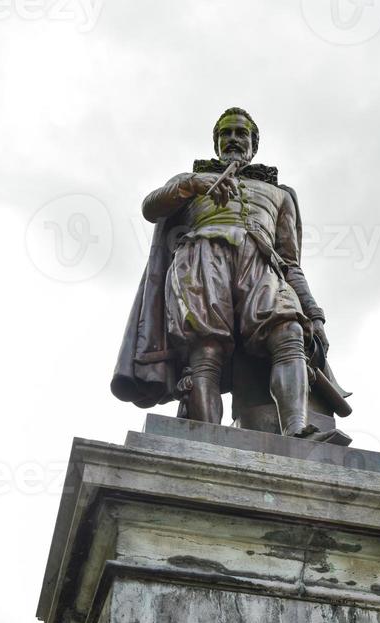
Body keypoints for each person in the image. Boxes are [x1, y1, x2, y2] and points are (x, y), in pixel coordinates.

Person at [112, 107, 334, 438]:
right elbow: (150, 207)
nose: (232, 139)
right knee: (206, 350)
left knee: (289, 332)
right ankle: (208, 438)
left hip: (261, 264)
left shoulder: (281, 195)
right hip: (201, 258)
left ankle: (298, 431)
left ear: (253, 143)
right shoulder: (190, 183)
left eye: (240, 133)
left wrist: (313, 313)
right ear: (217, 143)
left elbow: (290, 262)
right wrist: (192, 185)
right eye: (225, 134)